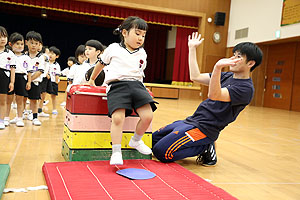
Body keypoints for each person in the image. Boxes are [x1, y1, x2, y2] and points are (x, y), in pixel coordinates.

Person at [152, 32, 263, 165]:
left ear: (250, 63)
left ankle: (205, 147)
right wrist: (192, 49)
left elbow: (214, 95)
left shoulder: (246, 89)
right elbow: (195, 77)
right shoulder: (226, 76)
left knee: (162, 152)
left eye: (238, 57)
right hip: (191, 121)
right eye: (234, 55)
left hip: (205, 130)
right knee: (151, 140)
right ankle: (202, 145)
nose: (233, 59)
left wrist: (217, 68)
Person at [88, 16, 157, 165]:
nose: (140, 38)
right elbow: (100, 65)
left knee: (148, 116)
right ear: (125, 33)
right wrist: (92, 79)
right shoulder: (113, 48)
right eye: (137, 33)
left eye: (143, 35)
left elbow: (139, 73)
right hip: (117, 85)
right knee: (118, 118)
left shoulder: (142, 53)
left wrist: (143, 89)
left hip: (137, 85)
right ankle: (116, 152)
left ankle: (136, 141)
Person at [5, 32, 31, 127]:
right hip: (10, 77)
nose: (20, 46)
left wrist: (29, 81)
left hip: (21, 78)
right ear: (11, 44)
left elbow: (29, 71)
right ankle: (6, 118)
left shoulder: (26, 57)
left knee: (20, 100)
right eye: (17, 44)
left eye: (21, 44)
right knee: (8, 100)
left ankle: (19, 118)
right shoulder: (8, 55)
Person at [25, 31, 45, 126]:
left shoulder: (41, 57)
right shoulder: (24, 56)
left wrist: (30, 80)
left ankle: (35, 117)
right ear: (26, 42)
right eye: (31, 43)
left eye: (36, 43)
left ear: (39, 45)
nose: (33, 45)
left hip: (35, 82)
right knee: (22, 99)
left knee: (34, 100)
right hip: (23, 81)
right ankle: (20, 115)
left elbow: (40, 71)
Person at [0, 26, 16, 129]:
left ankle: (1, 120)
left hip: (4, 76)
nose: (2, 39)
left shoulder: (10, 53)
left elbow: (12, 69)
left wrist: (12, 82)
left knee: (2, 101)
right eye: (0, 37)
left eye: (4, 36)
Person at [38, 45, 52, 117]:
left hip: (45, 78)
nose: (49, 53)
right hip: (41, 78)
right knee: (40, 95)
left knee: (43, 95)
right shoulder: (44, 56)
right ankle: (34, 111)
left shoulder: (46, 59)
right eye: (48, 51)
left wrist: (47, 73)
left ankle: (39, 111)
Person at [48, 46, 61, 115]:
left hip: (53, 82)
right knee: (41, 95)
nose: (50, 55)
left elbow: (57, 75)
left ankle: (54, 109)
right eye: (49, 53)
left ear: (57, 56)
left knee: (53, 96)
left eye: (53, 54)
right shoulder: (45, 63)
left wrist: (56, 82)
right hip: (45, 81)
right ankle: (39, 108)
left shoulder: (57, 65)